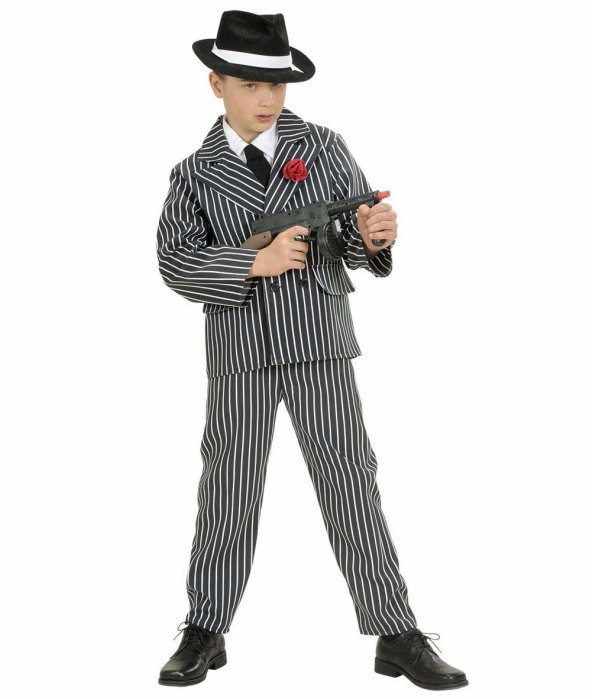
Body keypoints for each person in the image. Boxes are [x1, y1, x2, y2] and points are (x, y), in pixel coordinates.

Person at [155, 10, 468, 691]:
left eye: (276, 84)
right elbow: (175, 262)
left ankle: (396, 631)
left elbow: (351, 237)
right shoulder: (194, 173)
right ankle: (205, 625)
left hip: (317, 338)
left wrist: (374, 236)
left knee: (350, 480)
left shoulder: (322, 147)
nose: (266, 98)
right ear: (216, 84)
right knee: (228, 487)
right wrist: (255, 262)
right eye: (249, 83)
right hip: (240, 347)